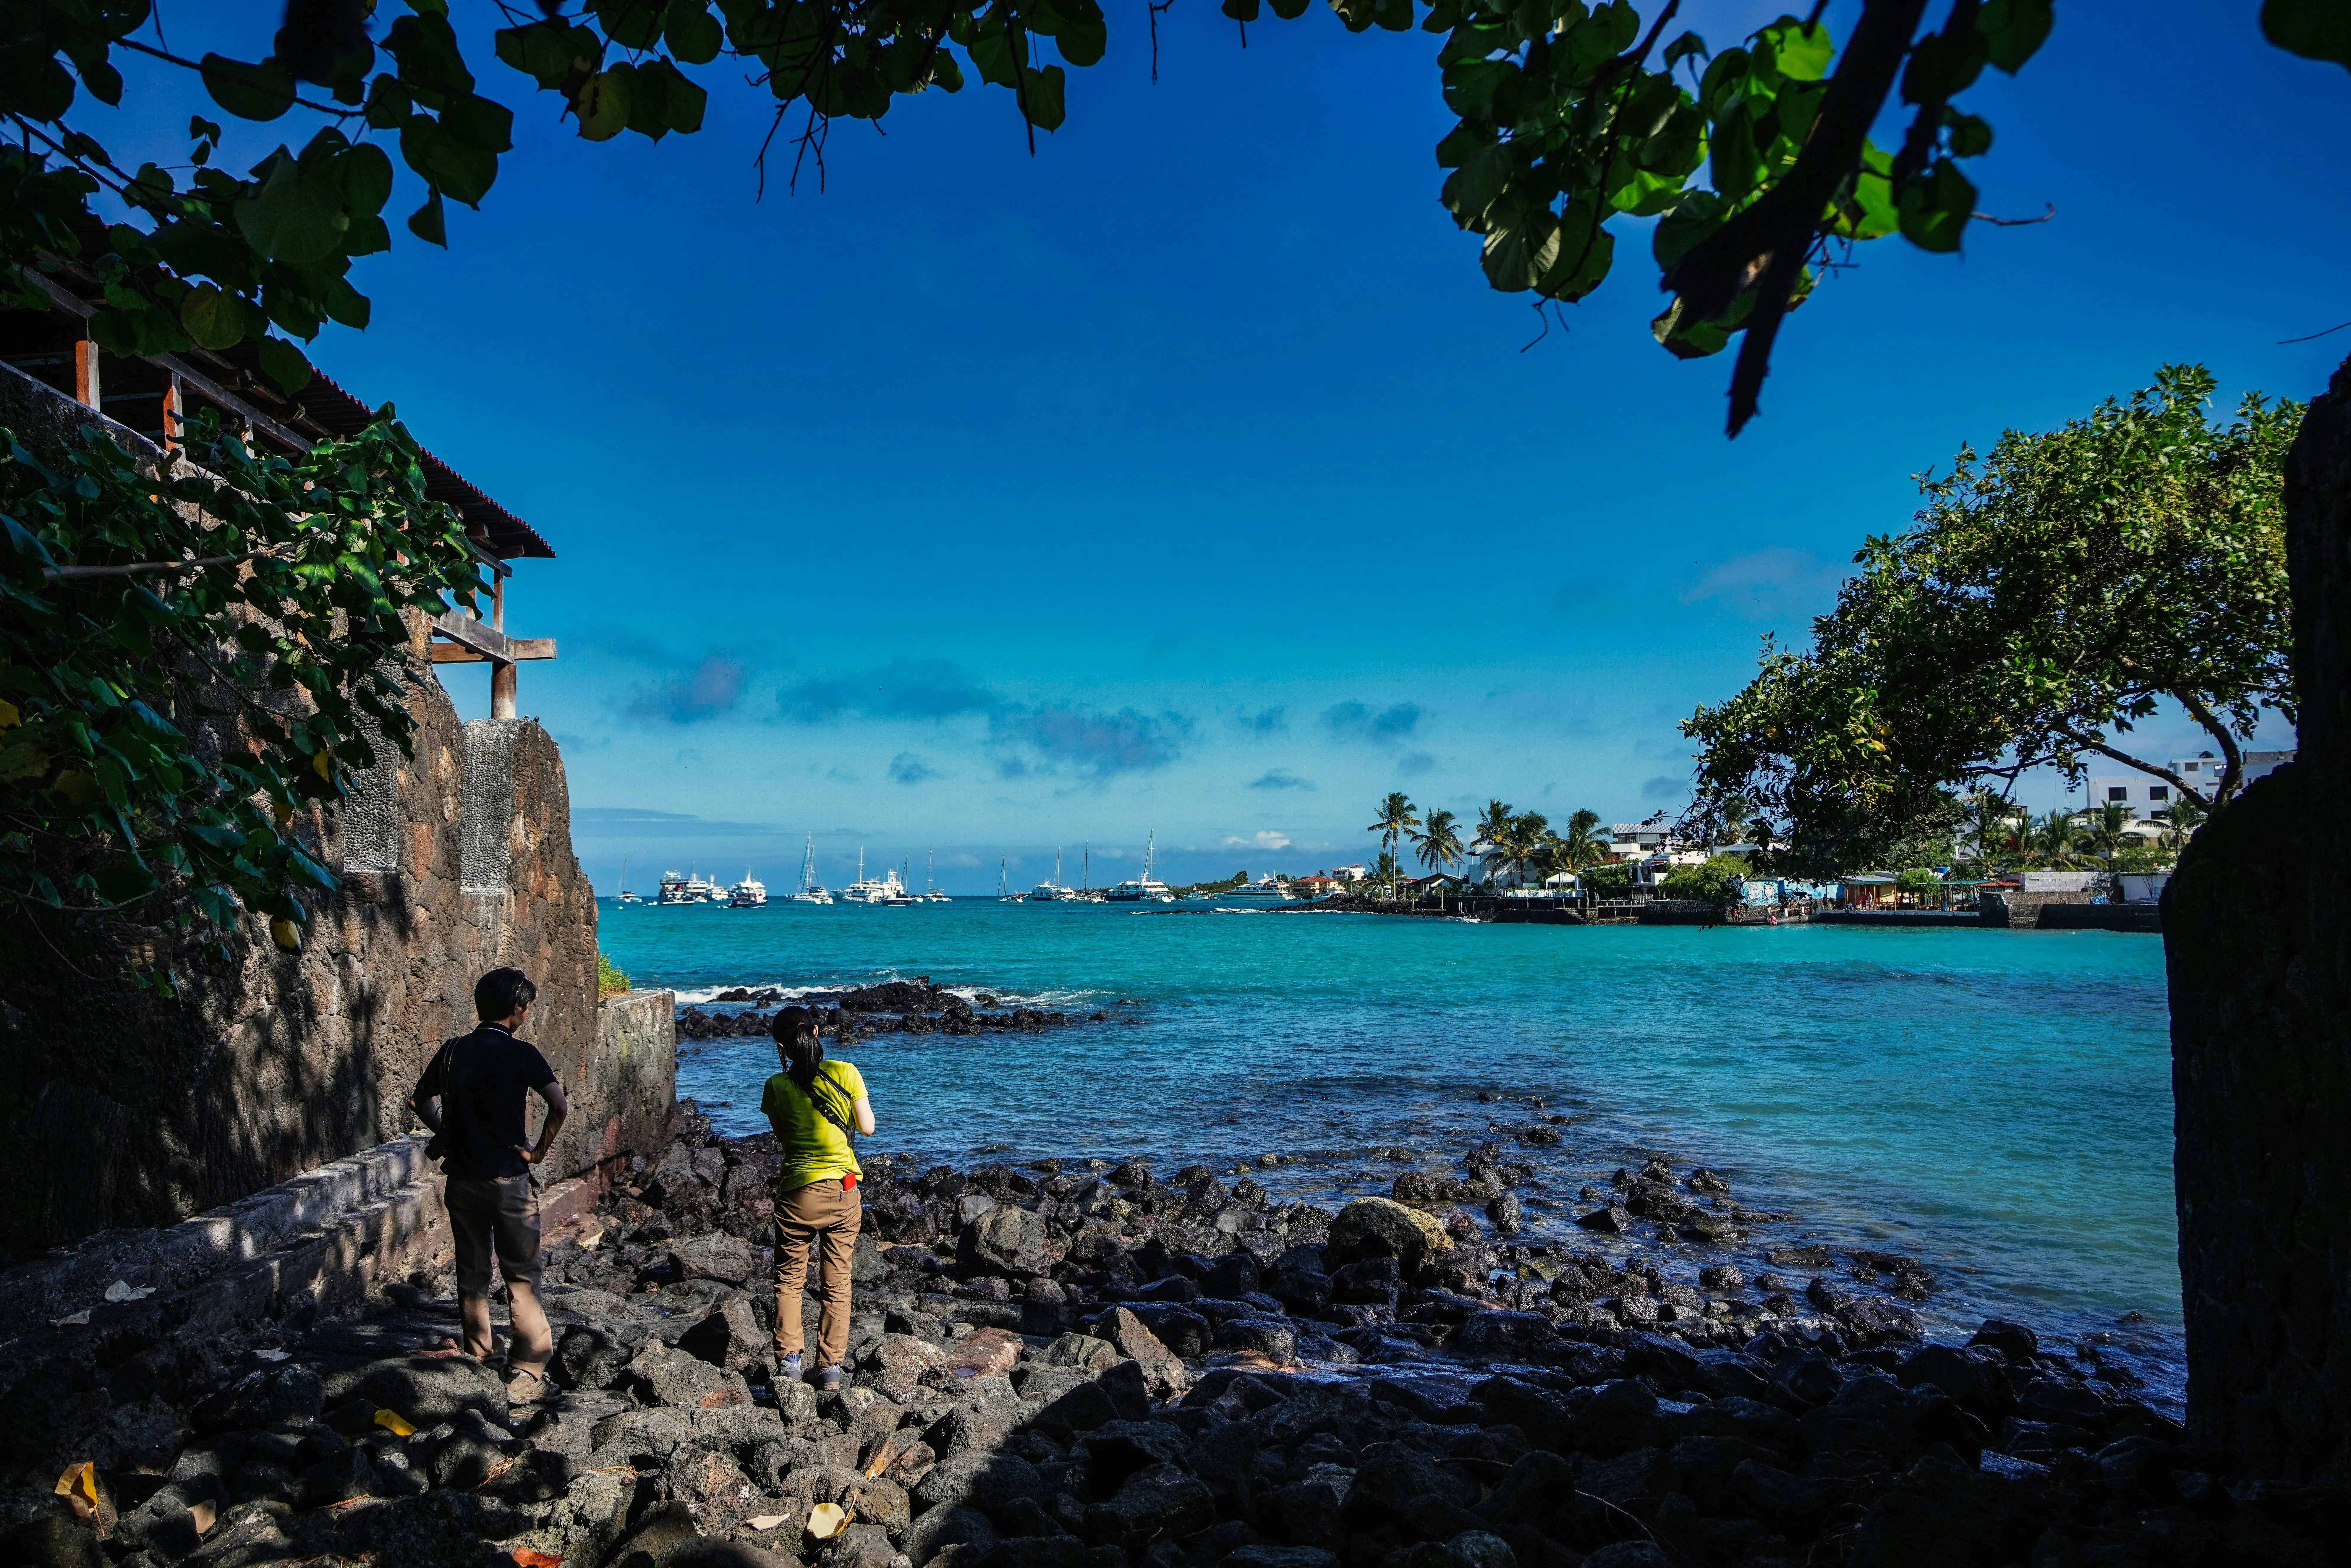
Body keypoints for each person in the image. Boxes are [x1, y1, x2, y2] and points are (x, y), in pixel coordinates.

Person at [410, 967, 570, 1404]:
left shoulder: (453, 1050)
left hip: (463, 1179)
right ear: (517, 1008)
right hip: (508, 1181)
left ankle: (480, 1357)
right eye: (527, 1006)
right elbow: (558, 1105)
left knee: (473, 1271)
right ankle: (527, 1373)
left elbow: (418, 1100)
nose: (528, 1012)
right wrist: (537, 1153)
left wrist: (446, 1132)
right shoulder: (522, 1053)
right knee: (522, 1275)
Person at [761, 1005, 874, 1391]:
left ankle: (790, 1364)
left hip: (799, 1194)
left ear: (781, 1046)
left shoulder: (776, 1086)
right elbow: (868, 1128)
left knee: (789, 1280)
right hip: (844, 1191)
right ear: (816, 1031)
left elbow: (785, 1139)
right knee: (838, 1282)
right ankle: (830, 1369)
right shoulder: (847, 1072)